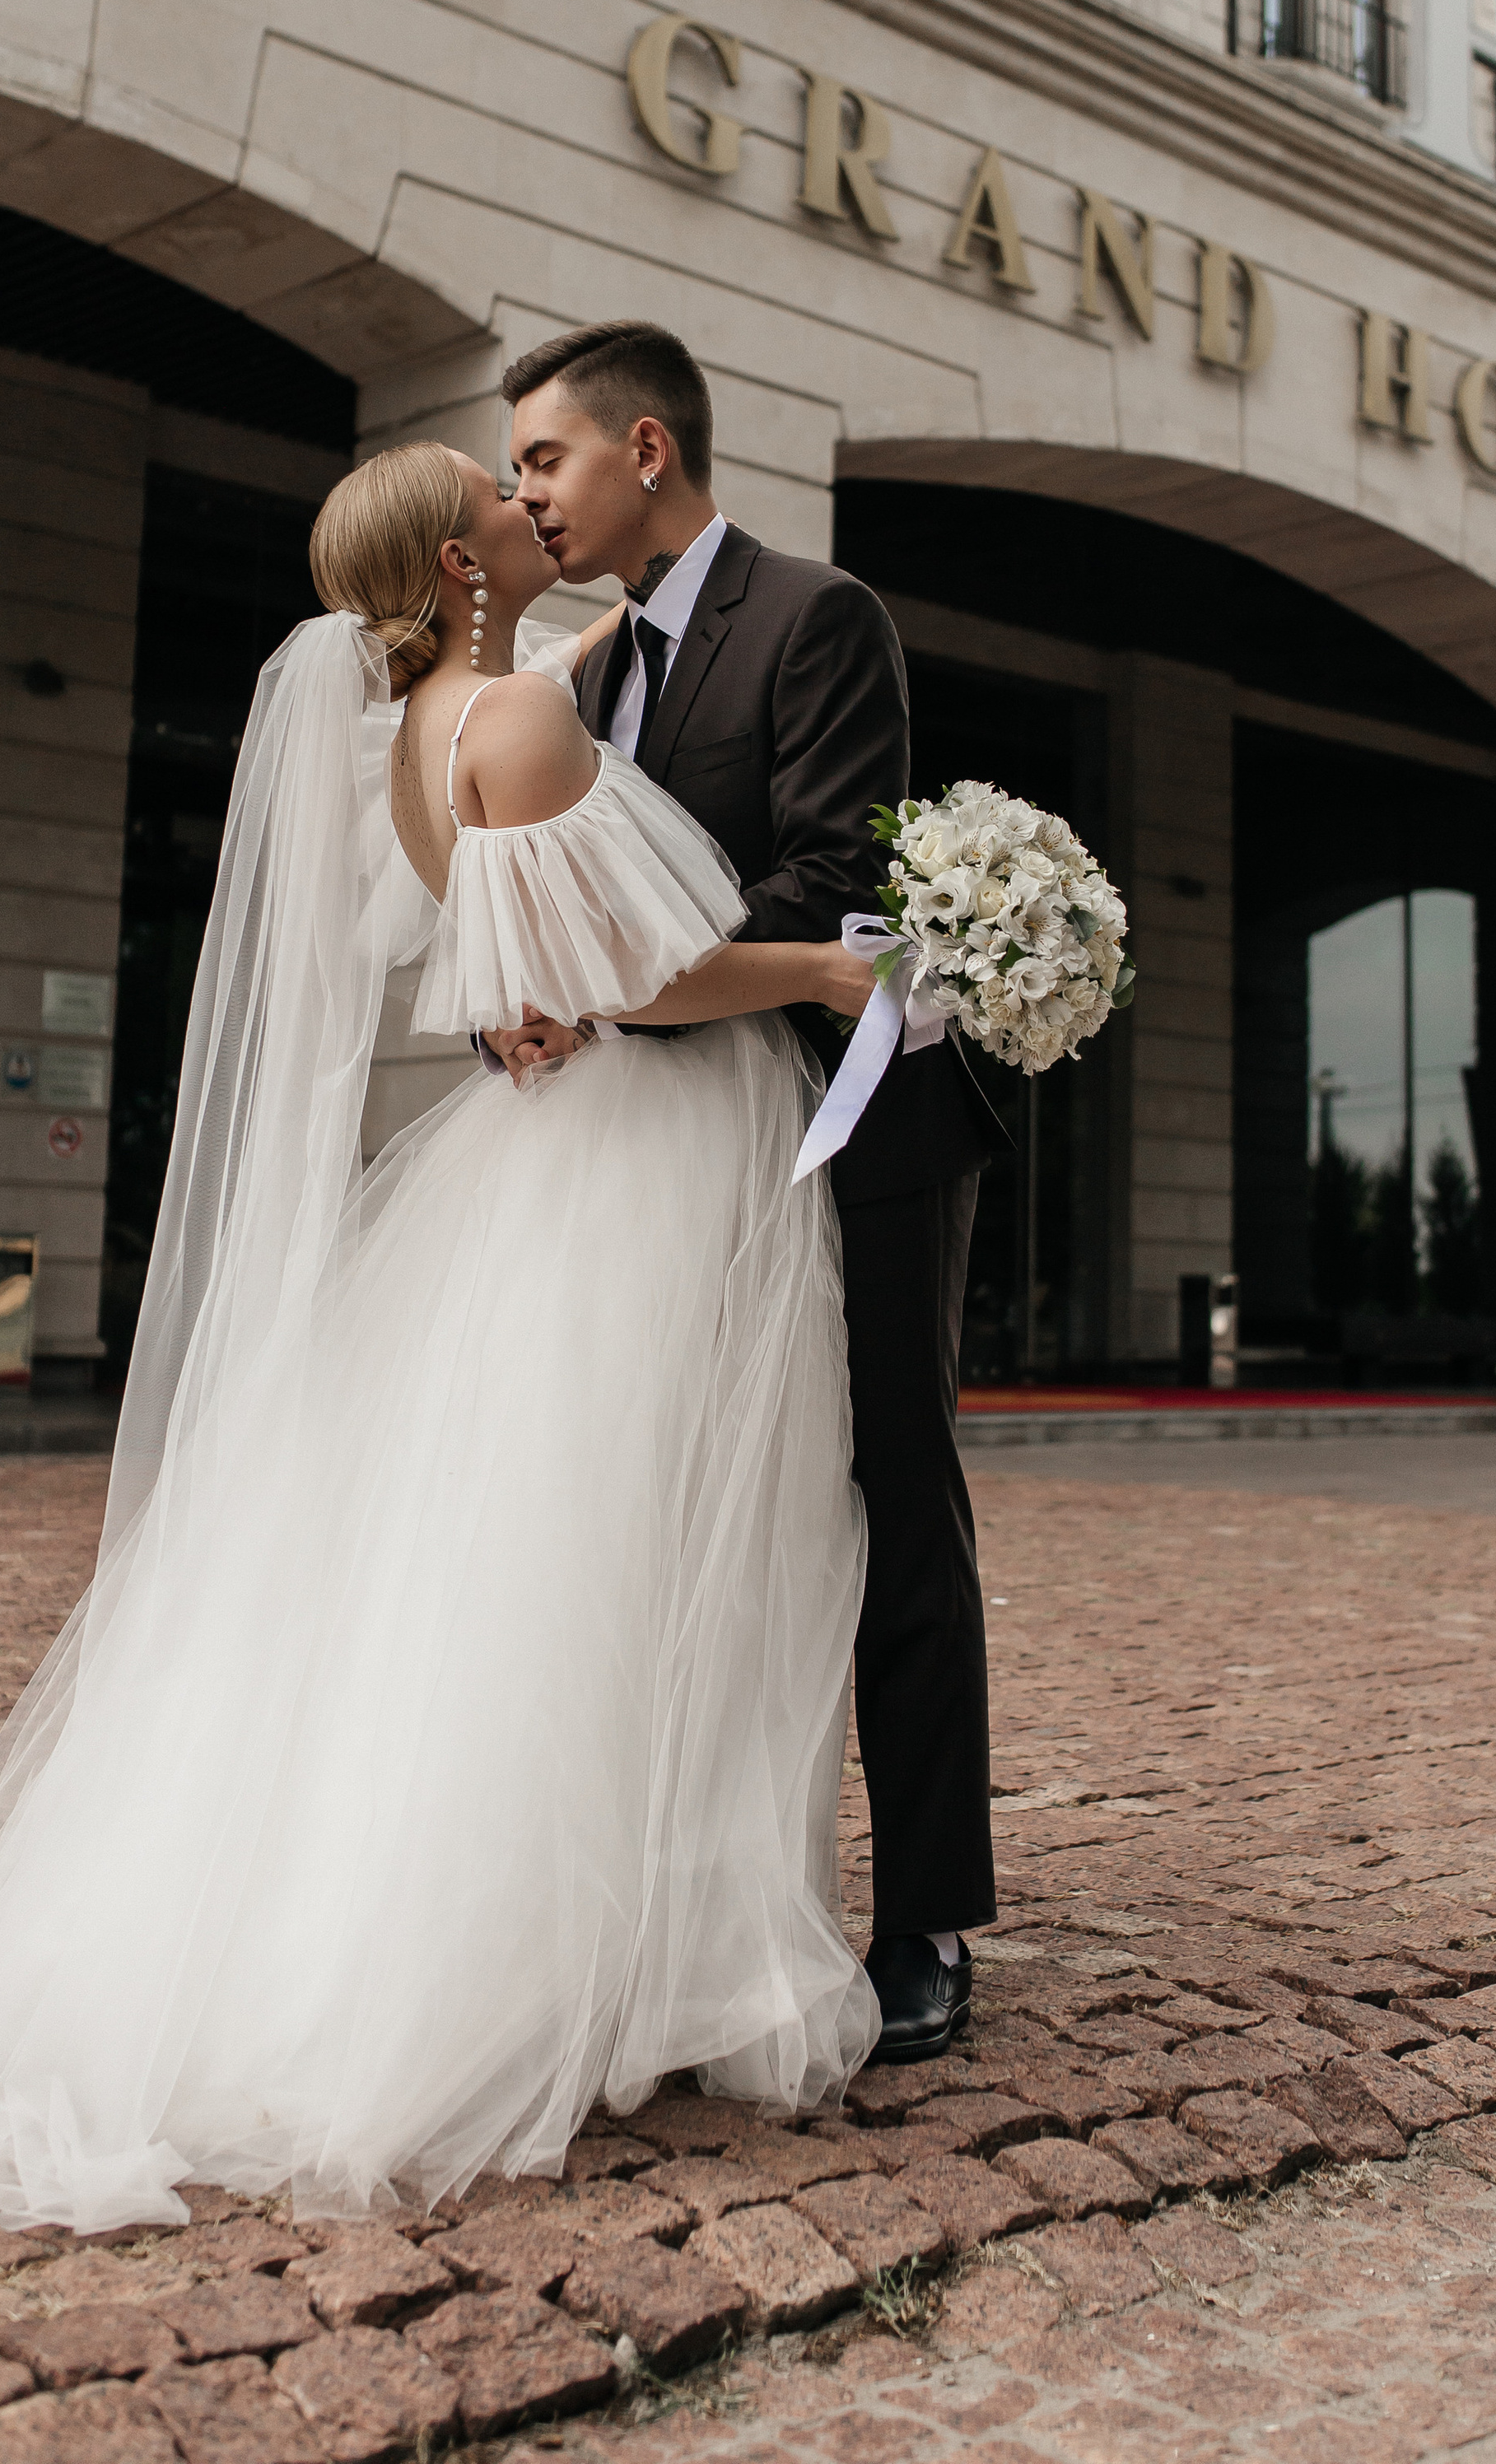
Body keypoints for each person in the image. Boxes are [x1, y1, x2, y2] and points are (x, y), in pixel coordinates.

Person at [0, 443, 885, 2233]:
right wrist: (812, 974)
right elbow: (624, 982)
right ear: (452, 554)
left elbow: (507, 958)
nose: (521, 494)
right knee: (626, 1561)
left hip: (532, 1169)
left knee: (525, 1558)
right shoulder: (523, 725)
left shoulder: (421, 729)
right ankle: (590, 1967)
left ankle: (623, 1948)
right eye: (495, 486)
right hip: (627, 1171)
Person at [495, 320, 1008, 2063]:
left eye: (543, 461)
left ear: (646, 450)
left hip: (854, 1129)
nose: (524, 497)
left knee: (888, 1493)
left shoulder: (813, 616)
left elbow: (830, 862)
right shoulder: (582, 666)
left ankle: (927, 1910)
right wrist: (530, 997)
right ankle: (708, 1902)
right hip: (679, 1150)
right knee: (703, 1509)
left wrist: (605, 977)